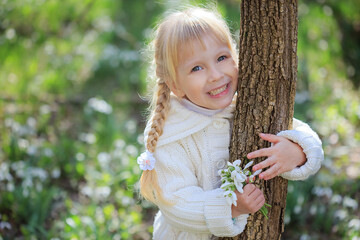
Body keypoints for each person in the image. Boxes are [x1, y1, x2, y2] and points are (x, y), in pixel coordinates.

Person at [137, 7, 324, 239]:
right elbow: (175, 204)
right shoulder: (170, 134)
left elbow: (304, 135)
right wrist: (230, 207)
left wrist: (297, 151)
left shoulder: (246, 105)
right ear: (174, 84)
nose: (215, 75)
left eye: (222, 58)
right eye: (197, 68)